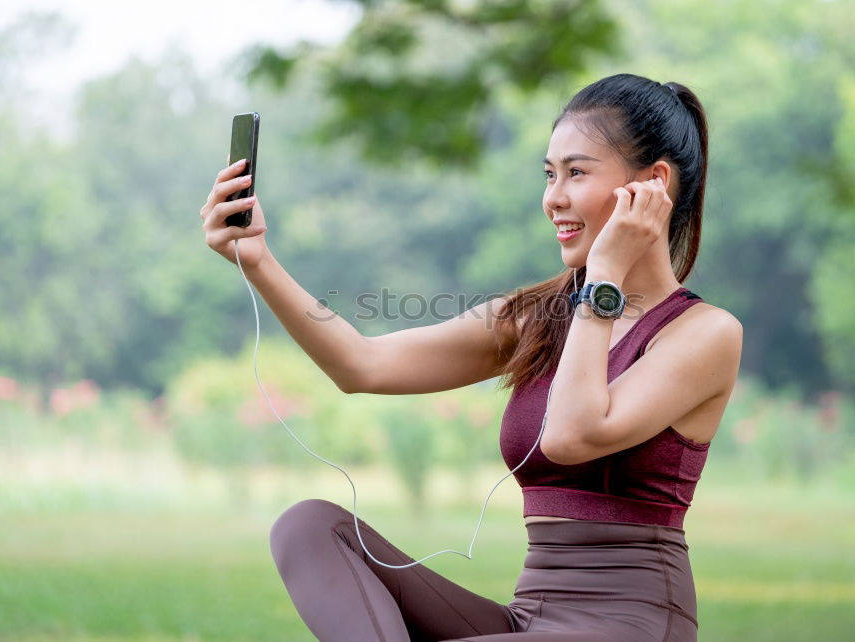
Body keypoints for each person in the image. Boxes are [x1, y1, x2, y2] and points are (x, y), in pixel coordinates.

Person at [200, 73, 743, 641]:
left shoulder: (702, 333)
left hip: (633, 624)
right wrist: (256, 260)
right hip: (529, 620)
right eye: (549, 174)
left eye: (576, 172)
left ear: (653, 184)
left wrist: (604, 277)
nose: (552, 197)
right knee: (309, 527)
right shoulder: (540, 317)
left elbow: (571, 434)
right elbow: (363, 366)